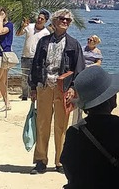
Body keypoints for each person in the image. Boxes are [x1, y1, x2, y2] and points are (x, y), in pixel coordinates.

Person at [29, 9, 85, 174]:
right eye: (62, 19)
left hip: (63, 89)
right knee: (42, 124)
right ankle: (40, 160)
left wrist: (74, 89)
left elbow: (79, 69)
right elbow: (36, 64)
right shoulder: (43, 42)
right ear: (54, 21)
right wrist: (33, 87)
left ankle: (61, 161)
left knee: (62, 125)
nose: (65, 22)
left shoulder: (73, 44)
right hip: (44, 86)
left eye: (68, 20)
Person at [16, 9, 51, 101]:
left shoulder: (46, 33)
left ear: (46, 21)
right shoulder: (29, 27)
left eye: (42, 19)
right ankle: (24, 95)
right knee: (24, 77)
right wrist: (22, 26)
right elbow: (18, 34)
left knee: (35, 77)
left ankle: (34, 94)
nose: (39, 20)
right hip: (25, 56)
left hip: (37, 58)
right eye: (38, 18)